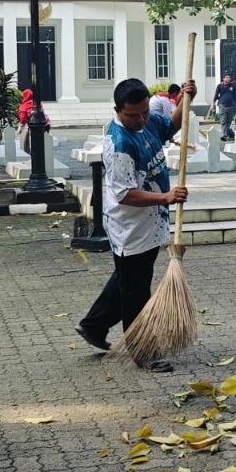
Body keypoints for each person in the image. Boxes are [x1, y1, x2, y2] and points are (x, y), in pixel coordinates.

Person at [76, 75, 198, 370]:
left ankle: (94, 325)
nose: (141, 119)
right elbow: (125, 195)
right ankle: (143, 352)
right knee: (136, 292)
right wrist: (166, 198)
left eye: (144, 111)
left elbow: (172, 123)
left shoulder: (149, 121)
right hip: (130, 229)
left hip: (150, 224)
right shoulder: (119, 145)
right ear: (118, 111)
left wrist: (185, 100)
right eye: (133, 115)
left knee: (126, 279)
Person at [211, 73, 236, 141]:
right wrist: (213, 103)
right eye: (226, 77)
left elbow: (235, 95)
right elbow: (216, 94)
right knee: (223, 120)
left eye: (229, 77)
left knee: (228, 121)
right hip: (222, 105)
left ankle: (226, 134)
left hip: (230, 106)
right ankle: (224, 135)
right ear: (223, 79)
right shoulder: (220, 86)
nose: (228, 79)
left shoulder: (232, 86)